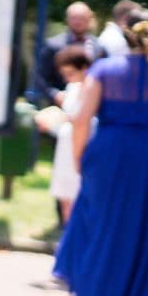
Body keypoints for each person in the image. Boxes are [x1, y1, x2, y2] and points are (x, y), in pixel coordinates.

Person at [53, 9, 148, 296]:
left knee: (99, 231)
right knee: (145, 237)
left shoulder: (105, 69)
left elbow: (81, 118)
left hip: (110, 157)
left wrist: (81, 158)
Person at [37, 46, 92, 224]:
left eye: (70, 73)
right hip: (66, 143)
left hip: (83, 145)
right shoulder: (72, 87)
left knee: (79, 193)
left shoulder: (93, 89)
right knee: (65, 194)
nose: (67, 78)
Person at [38, 1, 105, 106]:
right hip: (60, 106)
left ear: (89, 20)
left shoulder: (99, 48)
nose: (78, 22)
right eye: (74, 18)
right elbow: (40, 77)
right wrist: (54, 94)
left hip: (90, 106)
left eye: (82, 18)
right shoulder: (52, 45)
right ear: (67, 19)